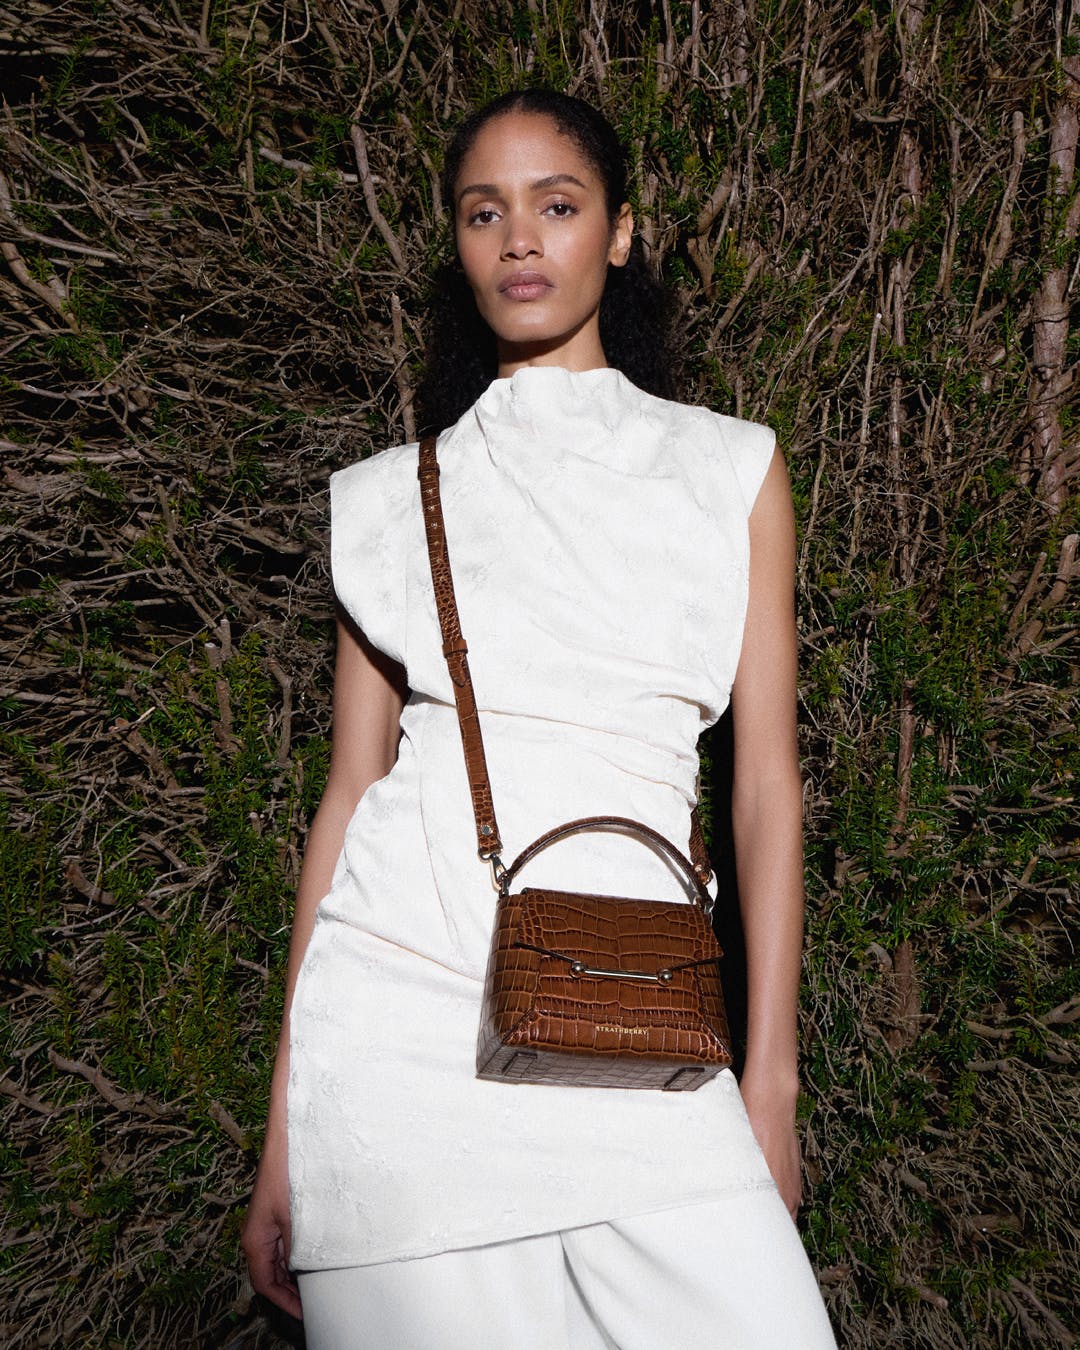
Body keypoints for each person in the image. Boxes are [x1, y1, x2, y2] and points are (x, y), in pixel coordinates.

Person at [242, 88, 837, 1349]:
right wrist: (285, 1125)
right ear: (458, 247)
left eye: (556, 206)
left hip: (647, 1037)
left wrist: (771, 1088)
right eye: (484, 212)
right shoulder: (388, 497)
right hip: (402, 1042)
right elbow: (350, 796)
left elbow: (765, 785)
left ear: (617, 233)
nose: (520, 238)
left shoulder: (730, 468)